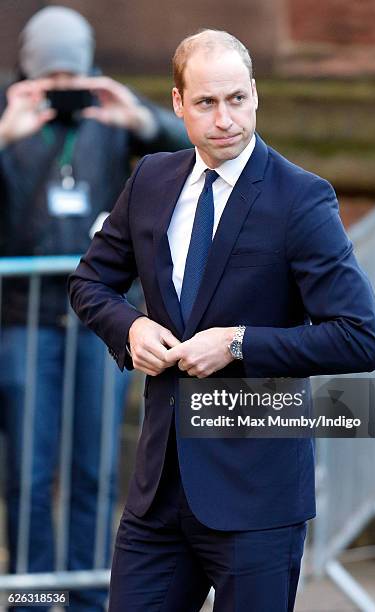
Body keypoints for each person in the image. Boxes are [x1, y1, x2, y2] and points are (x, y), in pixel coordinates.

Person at [68, 29, 375, 612]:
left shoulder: (301, 199)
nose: (225, 119)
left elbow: (360, 337)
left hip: (257, 497)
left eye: (237, 99)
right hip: (157, 494)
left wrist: (238, 344)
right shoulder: (151, 180)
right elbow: (89, 282)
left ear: (256, 95)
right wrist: (130, 328)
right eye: (208, 102)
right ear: (178, 104)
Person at [0, 6, 189, 612]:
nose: (63, 92)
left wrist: (137, 115)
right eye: (50, 77)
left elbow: (196, 149)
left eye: (71, 77)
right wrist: (7, 130)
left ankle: (82, 599)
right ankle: (34, 599)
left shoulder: (113, 117)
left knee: (94, 470)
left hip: (99, 323)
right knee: (28, 474)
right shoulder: (11, 117)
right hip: (22, 319)